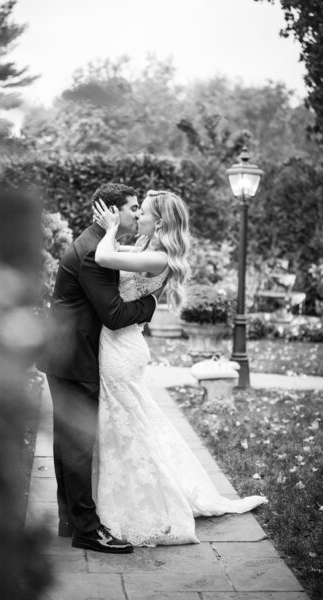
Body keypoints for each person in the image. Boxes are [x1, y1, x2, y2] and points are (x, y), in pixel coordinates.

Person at [92, 190, 267, 546]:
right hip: (121, 343)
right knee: (131, 424)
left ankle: (146, 504)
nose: (137, 214)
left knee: (126, 428)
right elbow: (115, 258)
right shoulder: (146, 250)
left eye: (144, 211)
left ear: (159, 222)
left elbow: (102, 256)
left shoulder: (157, 257)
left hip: (121, 348)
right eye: (136, 210)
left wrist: (109, 228)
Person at [42, 183, 159, 554]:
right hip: (74, 357)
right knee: (79, 444)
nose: (138, 214)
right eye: (133, 208)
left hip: (63, 353)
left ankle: (69, 520)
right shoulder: (95, 253)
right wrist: (151, 304)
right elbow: (114, 315)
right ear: (111, 210)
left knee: (68, 441)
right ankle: (88, 530)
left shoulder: (97, 242)